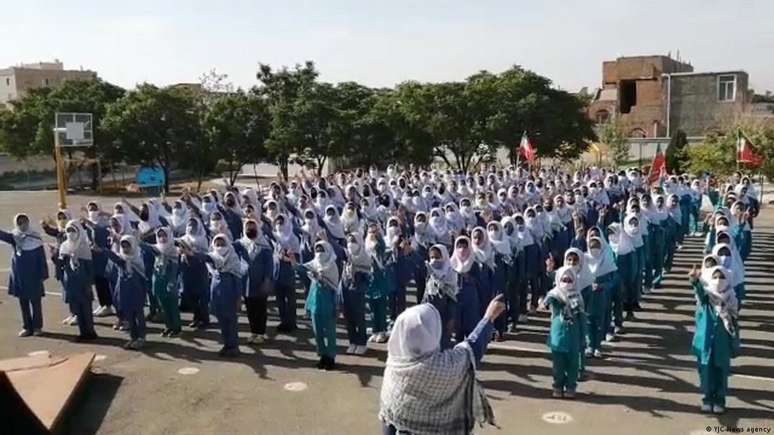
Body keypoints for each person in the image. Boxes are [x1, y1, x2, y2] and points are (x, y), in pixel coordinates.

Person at [379, 296, 505, 435]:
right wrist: (489, 317)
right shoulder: (446, 366)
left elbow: (388, 420)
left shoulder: (394, 364)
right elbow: (473, 347)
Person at [688, 265, 740, 414]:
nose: (718, 280)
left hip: (722, 343)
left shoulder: (731, 299)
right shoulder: (707, 298)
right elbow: (698, 290)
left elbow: (734, 324)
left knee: (721, 371)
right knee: (705, 371)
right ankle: (707, 398)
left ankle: (720, 400)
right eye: (715, 277)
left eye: (722, 277)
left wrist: (734, 343)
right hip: (705, 341)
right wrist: (695, 280)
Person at [0, 214, 49, 337]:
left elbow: (42, 258)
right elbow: (2, 235)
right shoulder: (14, 237)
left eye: (25, 221)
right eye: (20, 222)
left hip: (34, 275)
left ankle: (37, 327)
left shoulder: (36, 237)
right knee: (23, 303)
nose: (23, 224)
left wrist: (43, 273)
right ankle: (27, 327)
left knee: (36, 302)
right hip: (20, 275)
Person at [543, 266, 586, 399]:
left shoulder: (578, 297)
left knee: (573, 364)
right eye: (564, 279)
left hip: (574, 336)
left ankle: (571, 386)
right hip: (558, 337)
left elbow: (582, 318)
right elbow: (547, 302)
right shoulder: (555, 295)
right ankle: (557, 386)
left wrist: (583, 337)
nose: (567, 282)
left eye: (569, 279)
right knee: (558, 365)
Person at [295, 240, 340, 369]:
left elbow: (334, 287)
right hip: (316, 301)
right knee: (318, 331)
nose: (319, 253)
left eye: (322, 250)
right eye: (317, 250)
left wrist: (320, 278)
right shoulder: (314, 263)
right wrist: (292, 261)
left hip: (328, 301)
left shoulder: (332, 266)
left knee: (330, 331)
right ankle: (322, 356)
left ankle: (331, 357)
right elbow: (301, 268)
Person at [51, 221, 98, 341]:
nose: (71, 233)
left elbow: (89, 267)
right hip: (71, 282)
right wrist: (55, 256)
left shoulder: (84, 246)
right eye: (68, 231)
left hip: (83, 282)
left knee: (86, 309)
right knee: (77, 309)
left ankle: (90, 332)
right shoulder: (65, 246)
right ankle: (83, 332)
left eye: (73, 230)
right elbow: (61, 264)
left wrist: (89, 283)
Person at [103, 235, 148, 349]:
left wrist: (143, 295)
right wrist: (104, 250)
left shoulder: (137, 260)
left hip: (136, 294)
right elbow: (116, 259)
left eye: (127, 246)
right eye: (123, 246)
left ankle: (141, 338)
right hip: (126, 294)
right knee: (130, 317)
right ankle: (133, 338)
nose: (125, 249)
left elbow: (142, 281)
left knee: (139, 317)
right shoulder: (122, 259)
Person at [235, 219, 274, 344]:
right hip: (246, 283)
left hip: (260, 283)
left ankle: (261, 333)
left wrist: (267, 280)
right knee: (250, 309)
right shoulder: (241, 244)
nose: (250, 229)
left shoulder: (265, 245)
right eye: (248, 227)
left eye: (252, 227)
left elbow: (269, 264)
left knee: (260, 309)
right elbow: (227, 246)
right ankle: (253, 332)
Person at [144, 227, 182, 337]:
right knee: (163, 305)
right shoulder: (157, 248)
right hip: (159, 280)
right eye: (159, 236)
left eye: (164, 235)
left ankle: (176, 327)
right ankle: (168, 326)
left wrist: (171, 281)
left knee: (172, 305)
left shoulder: (173, 250)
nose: (162, 238)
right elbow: (145, 246)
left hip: (169, 281)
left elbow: (174, 269)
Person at [342, 233, 370, 355]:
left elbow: (368, 276)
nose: (350, 244)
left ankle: (362, 343)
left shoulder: (365, 257)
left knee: (359, 317)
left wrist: (358, 275)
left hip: (358, 291)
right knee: (349, 317)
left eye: (353, 241)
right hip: (346, 288)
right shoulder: (347, 256)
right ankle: (352, 341)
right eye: (349, 241)